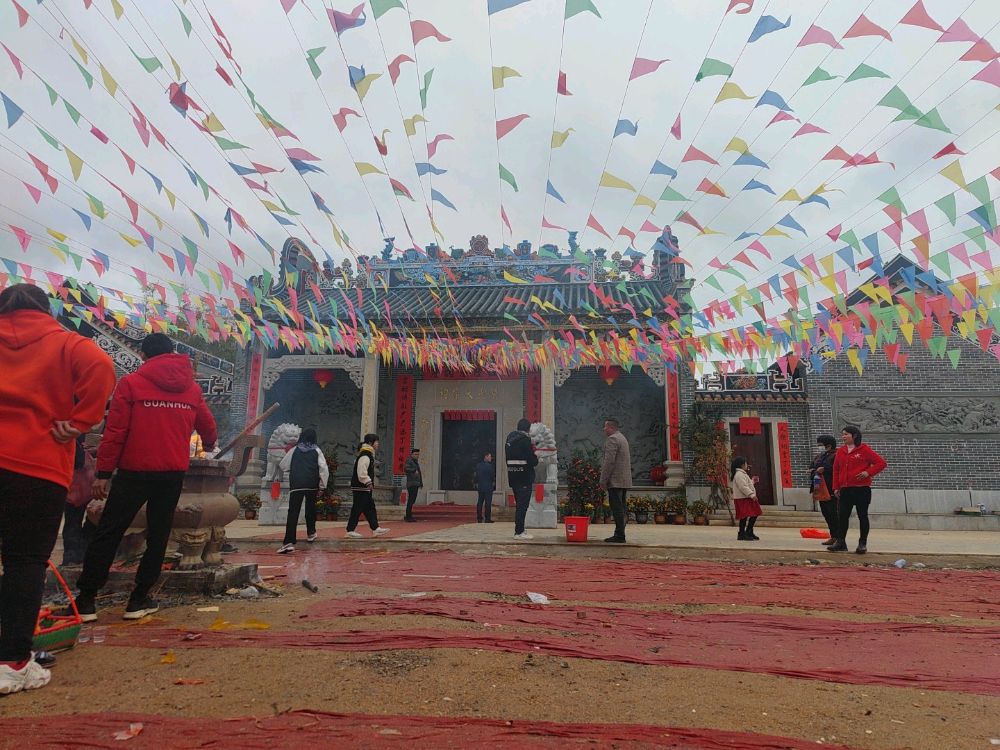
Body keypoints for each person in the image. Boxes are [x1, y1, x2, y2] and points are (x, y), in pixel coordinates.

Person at [0, 283, 116, 695]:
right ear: (46, 311)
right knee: (24, 562)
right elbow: (103, 367)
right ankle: (12, 662)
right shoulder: (66, 342)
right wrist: (81, 420)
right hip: (37, 464)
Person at [70, 333, 217, 622]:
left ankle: (86, 600)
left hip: (133, 473)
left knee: (109, 532)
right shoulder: (191, 389)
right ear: (172, 353)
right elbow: (208, 426)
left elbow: (115, 432)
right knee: (158, 536)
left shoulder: (131, 384)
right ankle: (139, 599)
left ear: (143, 356)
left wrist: (103, 473)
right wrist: (210, 444)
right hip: (171, 475)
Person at [829, 426, 887, 554]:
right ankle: (840, 542)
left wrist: (868, 472)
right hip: (845, 489)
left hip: (862, 490)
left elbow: (881, 463)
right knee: (842, 516)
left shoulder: (864, 449)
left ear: (854, 435)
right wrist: (836, 487)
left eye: (846, 434)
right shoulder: (841, 451)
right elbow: (836, 470)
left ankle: (862, 543)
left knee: (862, 516)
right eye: (843, 434)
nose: (843, 437)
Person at [276, 428, 329, 553]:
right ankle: (311, 533)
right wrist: (322, 486)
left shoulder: (295, 449)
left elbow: (283, 465)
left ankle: (288, 542)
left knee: (293, 512)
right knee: (310, 509)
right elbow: (323, 469)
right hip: (311, 484)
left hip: (297, 484)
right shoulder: (317, 450)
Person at [345, 434, 389, 538]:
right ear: (370, 443)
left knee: (369, 508)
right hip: (361, 487)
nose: (378, 444)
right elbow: (361, 472)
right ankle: (350, 530)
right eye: (376, 442)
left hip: (363, 487)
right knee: (357, 508)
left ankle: (375, 528)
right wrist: (368, 482)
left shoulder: (368, 455)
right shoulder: (365, 455)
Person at [62, 438, 97, 566]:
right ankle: (74, 558)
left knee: (74, 523)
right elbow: (78, 461)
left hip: (78, 487)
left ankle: (74, 558)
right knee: (77, 523)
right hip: (79, 487)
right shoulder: (71, 439)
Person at [599, 419, 632, 544]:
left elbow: (609, 462)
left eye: (605, 426)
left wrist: (603, 480)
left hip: (615, 480)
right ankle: (620, 533)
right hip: (623, 479)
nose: (604, 429)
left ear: (611, 427)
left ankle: (619, 535)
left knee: (617, 508)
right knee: (621, 507)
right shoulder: (622, 438)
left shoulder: (612, 439)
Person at [504, 418, 538, 540]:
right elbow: (531, 460)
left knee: (519, 505)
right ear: (528, 429)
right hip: (524, 477)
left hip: (513, 475)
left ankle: (520, 529)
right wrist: (536, 458)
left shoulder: (509, 440)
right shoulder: (524, 440)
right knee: (522, 506)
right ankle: (519, 532)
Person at [809, 435, 838, 545]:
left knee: (834, 514)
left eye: (820, 445)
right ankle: (833, 536)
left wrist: (825, 469)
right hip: (820, 488)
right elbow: (812, 466)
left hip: (831, 488)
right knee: (826, 514)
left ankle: (839, 538)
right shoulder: (820, 456)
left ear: (829, 445)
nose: (819, 447)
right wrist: (814, 471)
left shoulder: (837, 455)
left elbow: (838, 469)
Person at [731, 457, 762, 541]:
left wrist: (752, 481)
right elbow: (743, 487)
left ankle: (749, 531)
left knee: (755, 513)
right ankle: (742, 533)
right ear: (742, 465)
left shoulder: (742, 474)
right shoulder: (739, 474)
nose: (747, 465)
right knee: (744, 516)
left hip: (746, 497)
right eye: (746, 463)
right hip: (743, 498)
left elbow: (746, 484)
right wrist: (751, 494)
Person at [475, 452, 495, 523]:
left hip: (480, 486)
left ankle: (479, 518)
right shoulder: (490, 466)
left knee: (480, 502)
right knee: (488, 503)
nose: (490, 458)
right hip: (488, 486)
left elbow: (476, 476)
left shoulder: (478, 465)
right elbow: (492, 476)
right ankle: (487, 518)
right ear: (485, 457)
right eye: (489, 456)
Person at [403, 448, 423, 522]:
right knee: (411, 500)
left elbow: (419, 473)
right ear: (412, 454)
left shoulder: (415, 462)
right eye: (415, 454)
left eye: (418, 454)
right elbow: (406, 468)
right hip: (412, 483)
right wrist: (414, 470)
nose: (417, 456)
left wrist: (420, 483)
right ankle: (408, 516)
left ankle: (409, 515)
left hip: (415, 483)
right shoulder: (410, 460)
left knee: (412, 500)